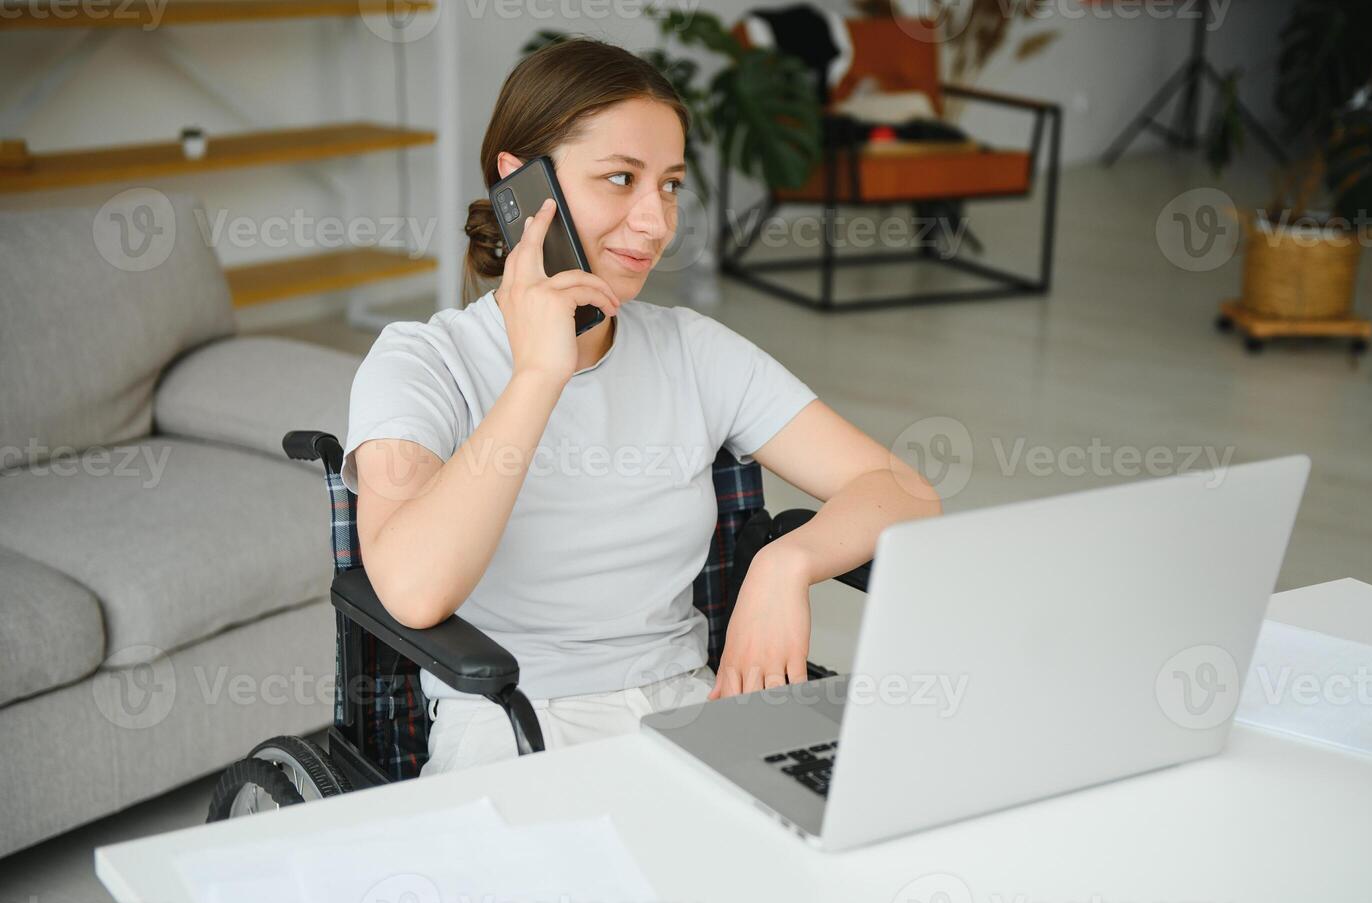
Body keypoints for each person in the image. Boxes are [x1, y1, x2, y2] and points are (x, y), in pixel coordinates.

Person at [341, 36, 941, 775]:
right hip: (511, 722)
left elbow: (904, 492)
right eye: (620, 178)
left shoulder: (692, 350)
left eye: (669, 185)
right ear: (521, 186)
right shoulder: (422, 363)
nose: (657, 223)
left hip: (691, 711)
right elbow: (412, 590)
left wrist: (786, 565)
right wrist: (537, 376)